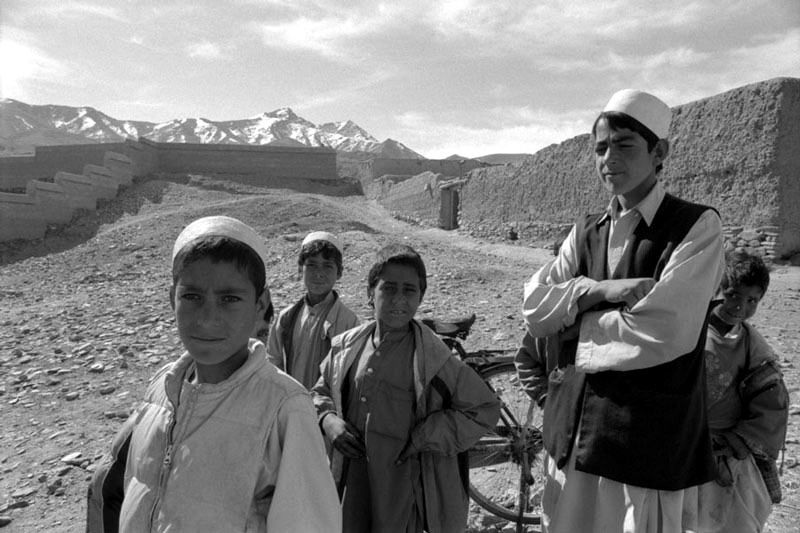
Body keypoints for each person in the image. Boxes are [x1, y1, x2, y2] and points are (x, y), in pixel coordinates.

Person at [520, 89, 726, 533]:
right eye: (599, 148)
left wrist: (570, 322)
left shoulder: (696, 228)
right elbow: (535, 310)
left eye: (624, 144)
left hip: (644, 443)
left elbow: (665, 329)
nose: (608, 158)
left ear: (659, 152)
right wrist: (598, 289)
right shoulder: (585, 231)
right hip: (573, 435)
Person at [86, 216, 341, 532]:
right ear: (172, 299)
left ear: (260, 305)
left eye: (229, 299)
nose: (208, 318)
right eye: (192, 297)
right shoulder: (161, 389)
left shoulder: (285, 409)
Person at [310, 243, 501, 533]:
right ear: (370, 293)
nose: (398, 299)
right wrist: (328, 420)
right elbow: (320, 391)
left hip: (405, 486)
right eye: (389, 288)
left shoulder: (434, 359)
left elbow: (484, 409)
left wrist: (427, 435)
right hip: (355, 480)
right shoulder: (347, 348)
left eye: (409, 290)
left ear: (421, 297)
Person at [683, 251, 789, 532]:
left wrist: (735, 441)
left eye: (751, 300)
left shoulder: (753, 347)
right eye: (732, 295)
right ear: (716, 289)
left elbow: (771, 406)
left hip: (726, 452)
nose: (739, 307)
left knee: (729, 520)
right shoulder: (687, 331)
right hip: (681, 445)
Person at [267, 231, 360, 389]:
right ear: (299, 269)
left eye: (327, 266)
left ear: (339, 273)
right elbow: (273, 363)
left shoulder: (349, 322)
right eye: (311, 265)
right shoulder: (286, 318)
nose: (318, 273)